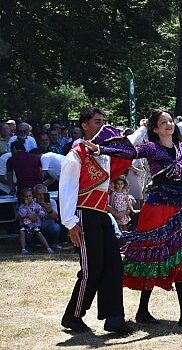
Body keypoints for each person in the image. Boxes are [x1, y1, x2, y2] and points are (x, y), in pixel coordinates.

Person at [86, 101, 182, 327]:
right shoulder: (151, 148)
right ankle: (143, 310)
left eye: (170, 121)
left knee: (181, 255)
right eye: (163, 122)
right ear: (154, 128)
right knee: (152, 257)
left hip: (180, 208)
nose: (168, 124)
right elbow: (129, 151)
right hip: (157, 208)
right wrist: (102, 149)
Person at [59, 107, 132, 334]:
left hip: (101, 214)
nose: (102, 125)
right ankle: (73, 315)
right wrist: (70, 223)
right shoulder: (76, 154)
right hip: (84, 214)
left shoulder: (105, 153)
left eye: (104, 121)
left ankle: (114, 318)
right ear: (84, 125)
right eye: (97, 121)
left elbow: (130, 148)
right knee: (92, 268)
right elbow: (68, 189)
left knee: (113, 264)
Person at [17, 188, 54, 255]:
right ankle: (23, 249)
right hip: (26, 225)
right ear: (23, 197)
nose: (28, 198)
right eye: (26, 196)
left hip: (35, 225)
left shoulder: (37, 205)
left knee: (38, 233)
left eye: (29, 196)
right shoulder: (22, 206)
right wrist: (27, 207)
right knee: (21, 231)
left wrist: (38, 212)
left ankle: (48, 248)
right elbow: (23, 214)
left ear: (32, 196)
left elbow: (43, 214)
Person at [33, 183, 63, 249]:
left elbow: (56, 218)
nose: (41, 196)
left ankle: (53, 243)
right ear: (35, 195)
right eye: (38, 194)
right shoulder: (32, 203)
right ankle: (35, 244)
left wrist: (49, 209)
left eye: (43, 194)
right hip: (35, 227)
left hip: (48, 226)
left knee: (56, 227)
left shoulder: (51, 202)